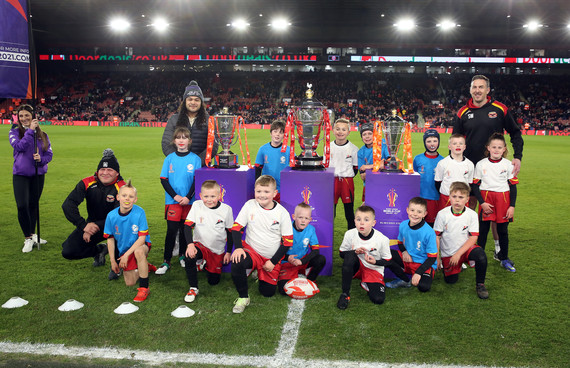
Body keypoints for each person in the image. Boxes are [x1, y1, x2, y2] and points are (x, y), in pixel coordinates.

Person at [230, 175, 293, 313]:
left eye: (266, 192)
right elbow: (236, 228)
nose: (262, 195)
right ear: (254, 191)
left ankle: (260, 272)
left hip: (270, 258)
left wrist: (273, 261)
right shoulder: (249, 205)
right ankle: (243, 297)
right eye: (258, 191)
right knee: (237, 260)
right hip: (252, 251)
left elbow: (287, 243)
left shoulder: (282, 213)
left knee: (268, 292)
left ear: (274, 193)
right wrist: (238, 248)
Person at [62, 148, 125, 269]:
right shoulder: (87, 182)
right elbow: (68, 204)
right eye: (102, 169)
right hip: (91, 228)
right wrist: (83, 225)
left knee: (120, 248)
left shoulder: (122, 187)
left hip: (116, 228)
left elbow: (118, 216)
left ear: (117, 173)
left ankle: (118, 261)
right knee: (68, 251)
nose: (105, 173)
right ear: (97, 171)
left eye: (110, 170)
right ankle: (99, 251)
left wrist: (91, 226)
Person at [453, 75, 523, 177]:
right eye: (474, 87)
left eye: (481, 87)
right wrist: (453, 162)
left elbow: (515, 133)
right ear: (470, 90)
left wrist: (517, 157)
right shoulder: (462, 112)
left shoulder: (500, 109)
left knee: (495, 193)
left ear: (488, 90)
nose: (477, 90)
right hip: (469, 167)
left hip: (494, 166)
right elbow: (455, 140)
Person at [156, 127, 202, 275]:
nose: (181, 141)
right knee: (171, 230)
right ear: (174, 141)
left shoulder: (195, 159)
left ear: (189, 141)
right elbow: (164, 180)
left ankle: (182, 255)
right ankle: (166, 261)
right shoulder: (169, 159)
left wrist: (188, 197)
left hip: (189, 202)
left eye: (184, 138)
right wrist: (175, 197)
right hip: (172, 201)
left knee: (185, 230)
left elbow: (197, 181)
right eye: (178, 138)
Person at [433, 182, 489, 299]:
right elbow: (437, 236)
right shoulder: (442, 214)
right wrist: (437, 257)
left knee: (481, 255)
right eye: (454, 197)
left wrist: (459, 254)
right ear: (449, 197)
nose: (457, 201)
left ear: (467, 199)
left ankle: (480, 284)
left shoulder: (472, 215)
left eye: (461, 197)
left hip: (465, 250)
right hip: (449, 253)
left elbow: (473, 237)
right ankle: (456, 266)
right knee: (451, 281)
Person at [472, 133, 518, 272]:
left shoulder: (508, 165)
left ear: (504, 149)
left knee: (503, 231)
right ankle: (479, 258)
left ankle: (504, 259)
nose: (496, 150)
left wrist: (512, 206)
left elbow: (513, 187)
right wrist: (482, 202)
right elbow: (475, 185)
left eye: (499, 147)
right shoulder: (481, 164)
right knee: (483, 230)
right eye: (494, 147)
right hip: (486, 199)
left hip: (503, 200)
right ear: (488, 148)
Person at [9, 104, 53, 253]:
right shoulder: (14, 132)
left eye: (26, 115)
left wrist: (41, 159)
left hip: (38, 174)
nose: (23, 118)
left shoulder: (43, 135)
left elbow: (49, 155)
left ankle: (33, 235)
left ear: (33, 116)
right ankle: (27, 238)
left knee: (33, 205)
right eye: (21, 116)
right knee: (22, 205)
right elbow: (20, 147)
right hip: (20, 175)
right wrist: (30, 131)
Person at [182, 180, 234, 303]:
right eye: (206, 196)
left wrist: (228, 252)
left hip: (217, 250)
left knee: (213, 281)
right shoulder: (196, 205)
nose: (209, 200)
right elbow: (187, 226)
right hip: (200, 245)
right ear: (200, 196)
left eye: (213, 196)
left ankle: (203, 264)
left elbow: (230, 232)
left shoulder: (226, 210)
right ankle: (193, 288)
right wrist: (190, 245)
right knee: (189, 256)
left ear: (219, 195)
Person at [103, 181, 152, 302]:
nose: (127, 199)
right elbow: (110, 240)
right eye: (124, 195)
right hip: (125, 249)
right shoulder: (111, 216)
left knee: (139, 252)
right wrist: (113, 261)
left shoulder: (139, 212)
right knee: (130, 283)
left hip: (141, 245)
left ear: (135, 199)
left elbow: (141, 239)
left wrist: (127, 255)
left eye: (131, 196)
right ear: (118, 197)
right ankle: (145, 266)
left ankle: (144, 288)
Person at [337, 205, 392, 310]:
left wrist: (375, 261)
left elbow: (388, 261)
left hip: (373, 269)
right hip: (356, 266)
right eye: (358, 219)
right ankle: (345, 294)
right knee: (350, 254)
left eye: (366, 220)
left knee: (378, 299)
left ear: (373, 223)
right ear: (354, 221)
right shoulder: (349, 234)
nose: (361, 223)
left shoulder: (382, 239)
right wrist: (354, 252)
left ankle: (369, 283)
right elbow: (341, 253)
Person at [385, 197, 438, 292]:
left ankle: (417, 274)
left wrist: (418, 273)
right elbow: (400, 242)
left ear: (424, 214)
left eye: (419, 212)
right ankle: (404, 280)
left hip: (423, 263)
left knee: (423, 287)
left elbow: (432, 258)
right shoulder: (403, 225)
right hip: (408, 259)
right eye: (412, 210)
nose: (415, 214)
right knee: (384, 254)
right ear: (407, 210)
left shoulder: (429, 232)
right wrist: (404, 251)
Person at [161, 80, 217, 166]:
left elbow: (213, 146)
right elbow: (166, 143)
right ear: (184, 102)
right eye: (190, 99)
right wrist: (179, 160)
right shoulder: (174, 119)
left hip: (201, 167)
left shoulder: (210, 120)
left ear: (201, 103)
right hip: (178, 167)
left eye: (197, 100)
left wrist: (196, 162)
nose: (193, 103)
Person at [277, 203, 326, 295]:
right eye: (300, 217)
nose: (303, 221)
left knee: (320, 259)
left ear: (310, 219)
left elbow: (316, 250)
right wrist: (287, 257)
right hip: (287, 263)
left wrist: (302, 261)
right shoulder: (285, 228)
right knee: (284, 291)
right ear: (294, 217)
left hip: (302, 261)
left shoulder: (311, 229)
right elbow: (275, 250)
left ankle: (310, 279)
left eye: (306, 218)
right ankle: (291, 275)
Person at [330, 118, 359, 230]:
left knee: (349, 212)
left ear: (348, 132)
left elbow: (355, 168)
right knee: (331, 211)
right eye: (338, 129)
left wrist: (345, 174)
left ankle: (351, 236)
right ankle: (328, 236)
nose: (340, 132)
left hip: (347, 182)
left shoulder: (353, 149)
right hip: (332, 182)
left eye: (343, 129)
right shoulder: (328, 147)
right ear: (333, 130)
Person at [434, 134, 474, 211]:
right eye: (454, 144)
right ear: (449, 147)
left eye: (461, 143)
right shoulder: (443, 163)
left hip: (462, 199)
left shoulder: (470, 164)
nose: (458, 146)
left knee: (462, 222)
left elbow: (469, 184)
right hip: (446, 198)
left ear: (464, 147)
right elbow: (438, 183)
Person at [413, 129, 444, 227]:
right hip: (420, 198)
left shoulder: (443, 161)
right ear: (424, 142)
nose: (432, 144)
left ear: (438, 142)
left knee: (432, 226)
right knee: (418, 225)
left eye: (435, 141)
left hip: (435, 199)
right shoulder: (417, 159)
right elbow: (413, 179)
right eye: (429, 141)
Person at [254, 120, 290, 202]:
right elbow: (258, 170)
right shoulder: (263, 149)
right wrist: (257, 187)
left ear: (284, 135)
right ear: (271, 133)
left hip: (283, 190)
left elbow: (293, 171)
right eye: (275, 131)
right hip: (266, 190)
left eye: (281, 132)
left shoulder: (288, 151)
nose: (277, 134)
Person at [357, 122, 388, 202]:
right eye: (364, 134)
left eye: (370, 133)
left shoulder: (384, 144)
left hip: (385, 183)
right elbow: (363, 175)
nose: (367, 136)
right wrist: (380, 165)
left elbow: (389, 162)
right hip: (369, 185)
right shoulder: (361, 152)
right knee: (369, 210)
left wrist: (368, 167)